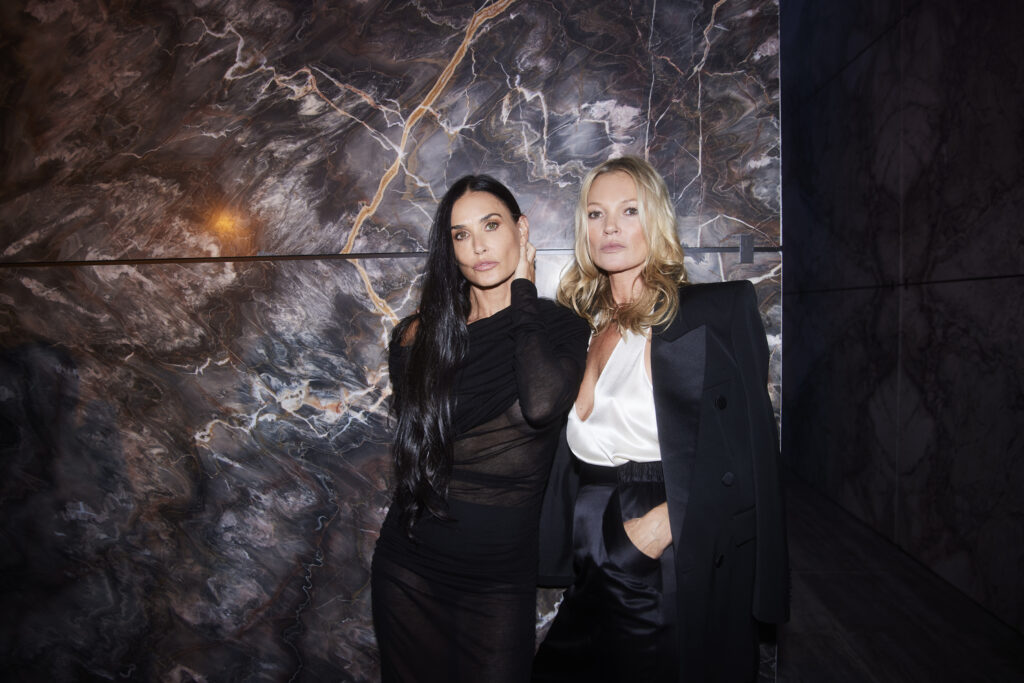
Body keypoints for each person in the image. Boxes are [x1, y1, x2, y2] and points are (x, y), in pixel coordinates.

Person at [532, 157, 789, 682]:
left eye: (629, 211)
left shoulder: (712, 314)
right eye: (596, 214)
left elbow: (750, 452)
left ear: (656, 219)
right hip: (589, 541)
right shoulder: (581, 325)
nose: (610, 227)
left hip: (661, 540)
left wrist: (657, 528)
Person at [371, 175, 590, 683]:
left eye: (491, 226)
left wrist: (524, 293)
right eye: (460, 234)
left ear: (521, 229)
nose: (478, 246)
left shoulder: (562, 327)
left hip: (499, 577)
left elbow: (541, 403)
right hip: (410, 566)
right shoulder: (419, 337)